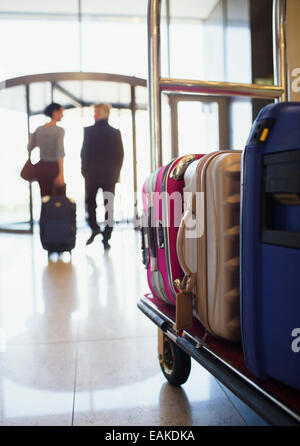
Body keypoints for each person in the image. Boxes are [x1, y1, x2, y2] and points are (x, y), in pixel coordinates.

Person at [81, 103, 124, 249]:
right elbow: (120, 155)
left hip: (91, 175)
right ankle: (107, 237)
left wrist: (84, 171)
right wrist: (116, 174)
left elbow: (84, 154)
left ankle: (94, 228)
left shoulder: (88, 131)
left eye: (95, 112)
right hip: (110, 176)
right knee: (109, 206)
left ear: (100, 113)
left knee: (90, 203)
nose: (93, 115)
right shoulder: (115, 132)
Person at [28, 102, 65, 197]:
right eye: (61, 112)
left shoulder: (39, 129)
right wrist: (61, 174)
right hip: (54, 167)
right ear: (55, 112)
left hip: (40, 167)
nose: (62, 115)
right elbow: (59, 152)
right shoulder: (59, 130)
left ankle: (44, 212)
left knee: (45, 197)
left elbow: (30, 147)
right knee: (58, 198)